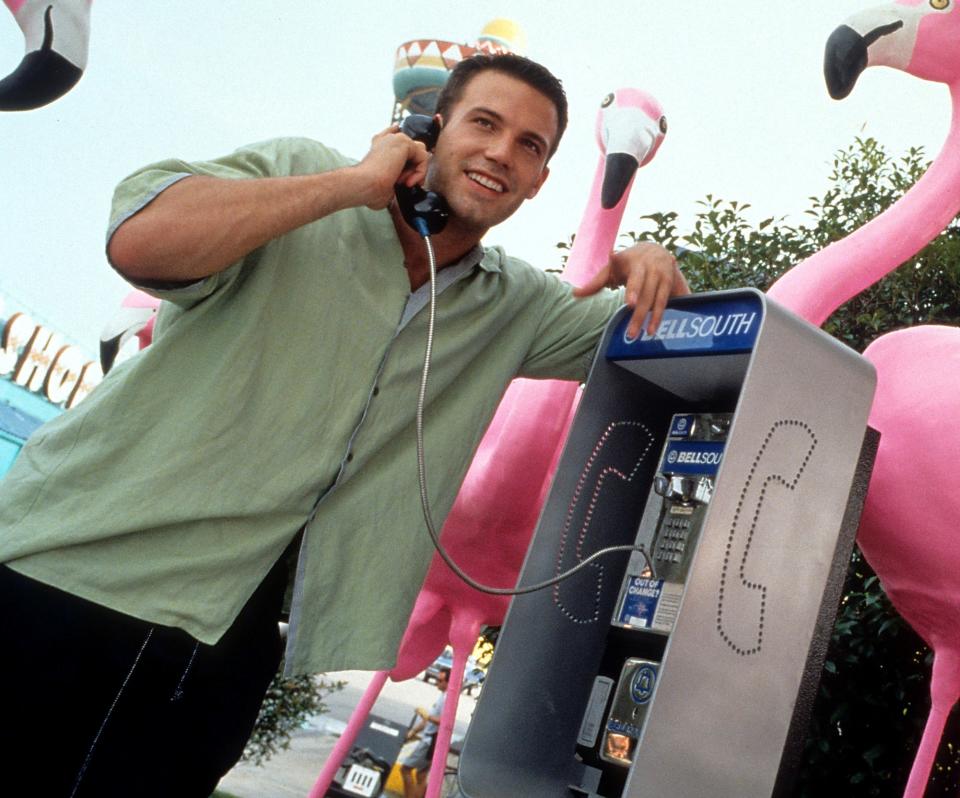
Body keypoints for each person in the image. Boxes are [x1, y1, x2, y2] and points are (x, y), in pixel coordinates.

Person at [0, 53, 687, 796]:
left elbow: (662, 349)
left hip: (220, 641)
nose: (501, 152)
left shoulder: (515, 306)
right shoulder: (300, 174)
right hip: (62, 578)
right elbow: (138, 240)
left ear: (542, 180)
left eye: (530, 145)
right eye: (484, 123)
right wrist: (348, 188)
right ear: (430, 126)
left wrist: (648, 262)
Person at [400, 666, 450, 798]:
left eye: (440, 680)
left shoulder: (447, 699)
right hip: (429, 739)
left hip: (430, 741)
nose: (437, 683)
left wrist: (427, 716)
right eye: (437, 680)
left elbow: (444, 721)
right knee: (421, 775)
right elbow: (428, 719)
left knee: (405, 769)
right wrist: (413, 731)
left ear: (448, 682)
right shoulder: (442, 697)